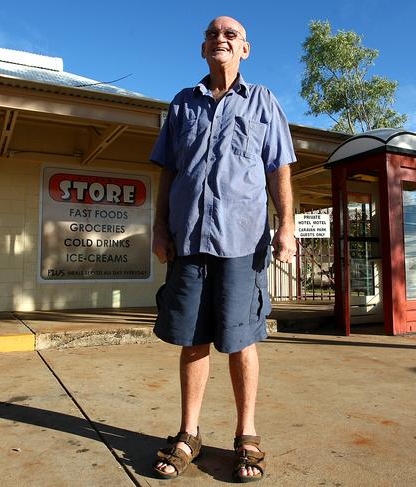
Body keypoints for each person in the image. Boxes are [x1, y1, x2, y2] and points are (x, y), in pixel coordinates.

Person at [149, 15, 296, 482]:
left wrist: (287, 224)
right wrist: (158, 227)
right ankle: (188, 434)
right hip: (188, 238)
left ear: (245, 50)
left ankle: (246, 436)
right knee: (192, 340)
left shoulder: (263, 102)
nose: (221, 40)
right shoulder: (181, 106)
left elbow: (278, 167)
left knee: (240, 339)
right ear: (202, 49)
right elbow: (167, 171)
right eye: (213, 34)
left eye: (231, 35)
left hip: (241, 239)